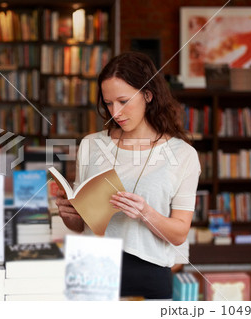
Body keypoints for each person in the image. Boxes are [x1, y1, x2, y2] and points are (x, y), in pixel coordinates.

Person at [55, 51, 201, 300]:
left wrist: (146, 213)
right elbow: (81, 226)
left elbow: (179, 234)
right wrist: (70, 215)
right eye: (108, 103)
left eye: (123, 101)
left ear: (147, 95)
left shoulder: (183, 154)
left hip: (149, 275)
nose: (116, 112)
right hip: (91, 270)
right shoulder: (91, 145)